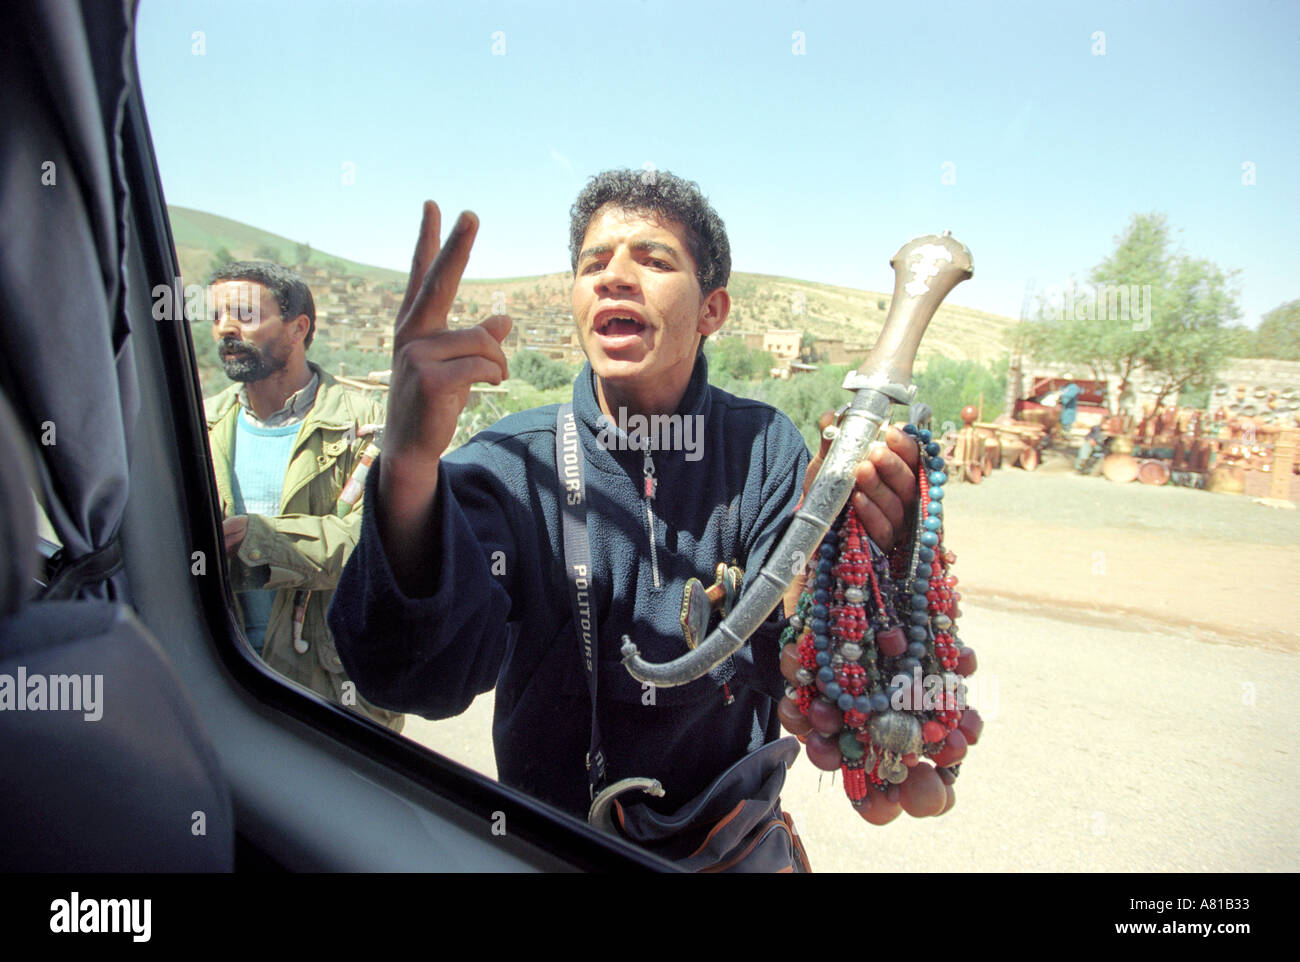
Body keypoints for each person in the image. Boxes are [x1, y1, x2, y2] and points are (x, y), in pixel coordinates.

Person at [327, 171, 917, 825]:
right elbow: (412, 680)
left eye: (654, 258)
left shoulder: (765, 450)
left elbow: (799, 673)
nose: (613, 276)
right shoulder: (510, 464)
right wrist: (407, 468)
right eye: (593, 264)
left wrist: (851, 568)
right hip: (551, 846)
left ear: (711, 311)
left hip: (721, 852)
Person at [204, 261, 403, 731]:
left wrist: (258, 540)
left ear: (298, 328)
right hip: (218, 685)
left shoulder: (370, 423)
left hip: (327, 697)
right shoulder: (198, 423)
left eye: (245, 314)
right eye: (216, 317)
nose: (226, 328)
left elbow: (382, 546)